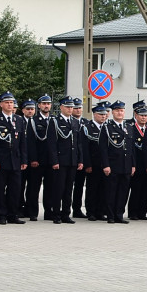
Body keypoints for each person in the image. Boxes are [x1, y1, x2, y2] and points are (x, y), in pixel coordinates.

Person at [0, 92, 28, 225]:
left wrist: (24, 160)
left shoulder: (19, 120)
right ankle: (1, 214)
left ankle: (12, 214)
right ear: (1, 105)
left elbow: (22, 142)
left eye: (11, 102)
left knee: (15, 189)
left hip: (15, 160)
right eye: (7, 102)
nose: (10, 105)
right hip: (1, 160)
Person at [46, 96, 82, 224]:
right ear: (61, 107)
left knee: (68, 189)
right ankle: (56, 214)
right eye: (67, 106)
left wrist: (80, 160)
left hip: (72, 160)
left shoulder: (75, 122)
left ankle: (66, 214)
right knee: (58, 188)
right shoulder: (55, 121)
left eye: (72, 107)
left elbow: (78, 143)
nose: (70, 109)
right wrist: (54, 161)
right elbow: (52, 143)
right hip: (61, 161)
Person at [99, 100, 134, 224]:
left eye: (122, 110)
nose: (120, 113)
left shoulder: (128, 127)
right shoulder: (107, 128)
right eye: (117, 110)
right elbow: (103, 149)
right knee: (111, 191)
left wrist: (133, 165)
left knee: (123, 192)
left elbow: (131, 148)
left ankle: (119, 215)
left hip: (126, 166)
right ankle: (111, 215)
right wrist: (106, 165)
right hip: (113, 165)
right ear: (112, 112)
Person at [24, 94, 51, 221]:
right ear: (39, 106)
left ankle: (48, 212)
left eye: (48, 103)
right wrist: (33, 159)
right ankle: (32, 212)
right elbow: (30, 142)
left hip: (50, 161)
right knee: (33, 187)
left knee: (50, 187)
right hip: (38, 161)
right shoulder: (33, 121)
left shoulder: (53, 120)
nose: (46, 106)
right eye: (44, 103)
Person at [82, 102, 108, 221]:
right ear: (94, 114)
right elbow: (85, 148)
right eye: (100, 114)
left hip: (104, 164)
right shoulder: (87, 127)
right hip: (93, 163)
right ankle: (91, 211)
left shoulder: (107, 128)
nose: (103, 116)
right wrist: (87, 164)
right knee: (92, 189)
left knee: (103, 189)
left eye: (104, 114)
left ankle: (100, 211)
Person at [127, 100, 147, 220]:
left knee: (145, 190)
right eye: (141, 115)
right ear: (136, 115)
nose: (143, 117)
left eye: (145, 115)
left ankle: (142, 212)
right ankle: (133, 212)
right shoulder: (131, 127)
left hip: (146, 164)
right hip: (135, 163)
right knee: (135, 189)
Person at [69, 98, 89, 218]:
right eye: (75, 107)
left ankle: (77, 209)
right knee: (66, 186)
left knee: (79, 187)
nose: (77, 110)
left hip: (82, 160)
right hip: (70, 158)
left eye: (79, 107)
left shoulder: (86, 122)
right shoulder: (69, 121)